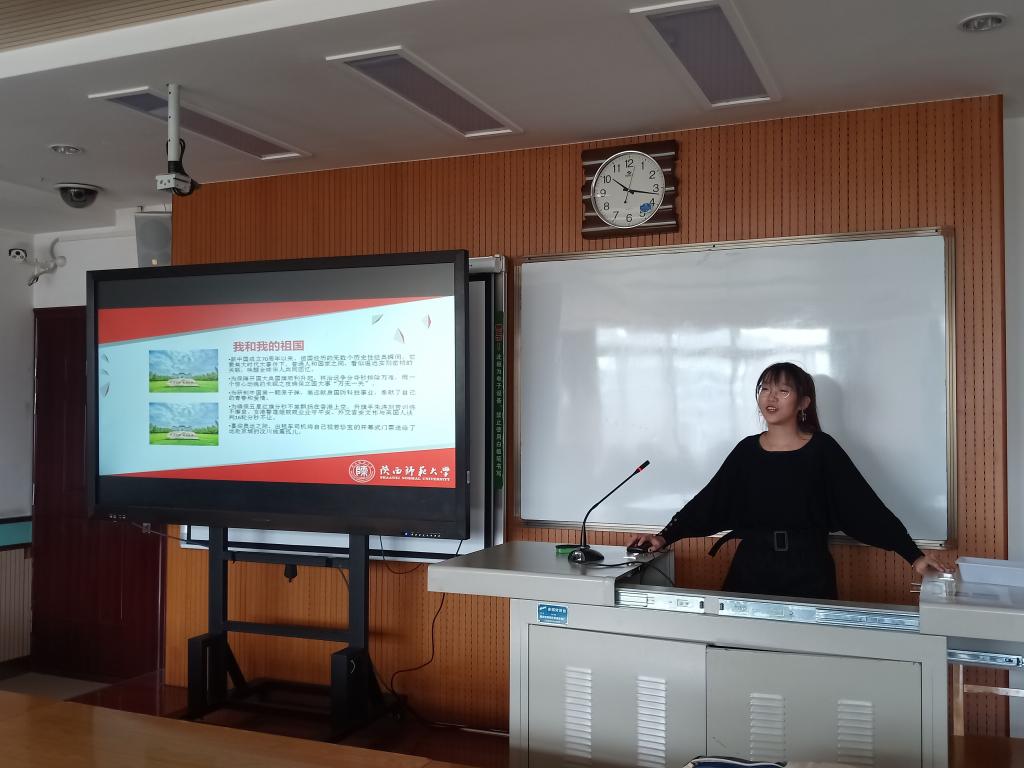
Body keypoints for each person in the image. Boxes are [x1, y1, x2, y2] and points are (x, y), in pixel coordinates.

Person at [628, 361, 948, 600]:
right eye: (765, 388)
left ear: (803, 403)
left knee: (806, 659)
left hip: (808, 569)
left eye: (783, 391)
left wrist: (914, 556)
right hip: (752, 566)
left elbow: (864, 507)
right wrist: (664, 537)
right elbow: (709, 502)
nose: (771, 397)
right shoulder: (746, 451)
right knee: (743, 655)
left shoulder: (823, 449)